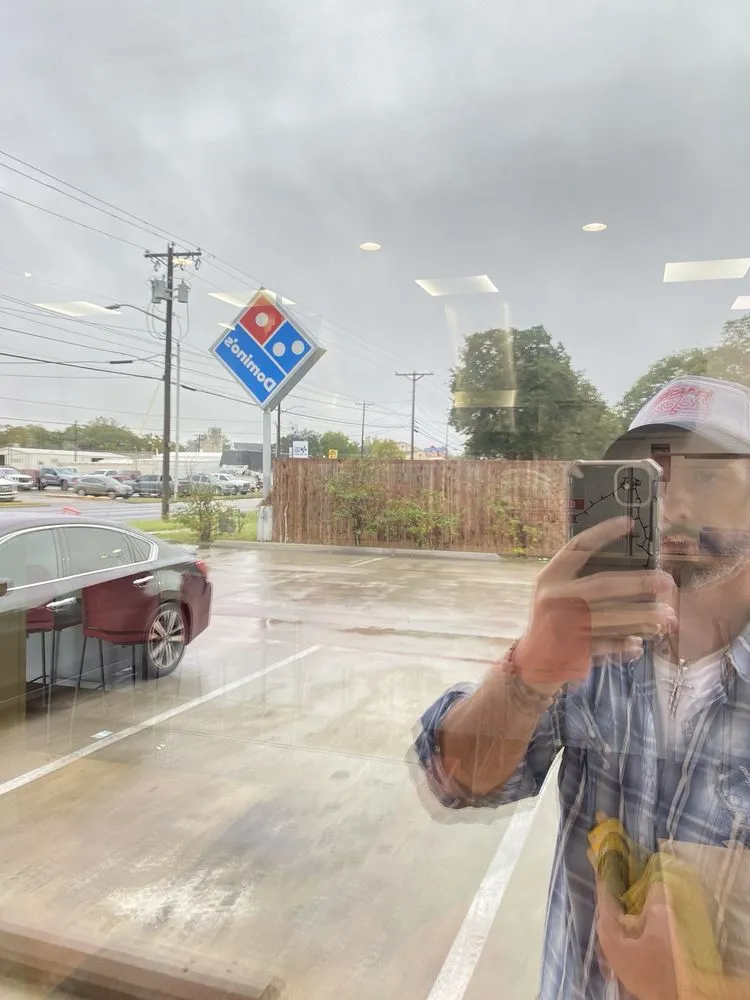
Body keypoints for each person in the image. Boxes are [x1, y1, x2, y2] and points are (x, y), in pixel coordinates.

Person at [415, 376, 750, 1000]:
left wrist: (704, 988)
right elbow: (457, 779)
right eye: (654, 477)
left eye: (708, 478)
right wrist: (530, 670)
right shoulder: (595, 649)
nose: (674, 505)